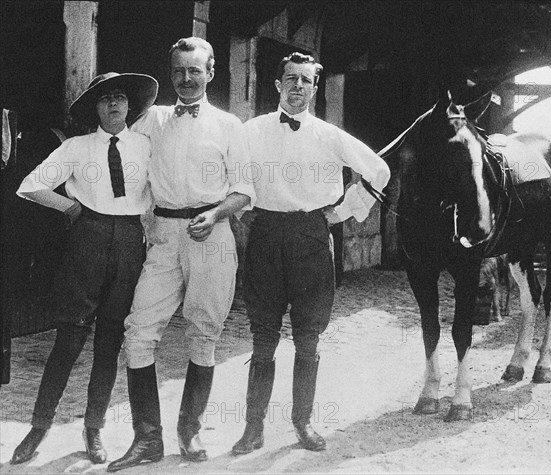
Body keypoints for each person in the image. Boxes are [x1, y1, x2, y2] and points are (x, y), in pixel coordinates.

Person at [107, 37, 255, 472]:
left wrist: (214, 215)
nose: (186, 79)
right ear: (170, 74)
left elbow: (245, 190)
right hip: (165, 236)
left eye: (195, 71)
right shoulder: (151, 119)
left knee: (203, 331)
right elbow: (124, 158)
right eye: (178, 71)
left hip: (213, 234)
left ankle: (188, 430)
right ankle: (146, 439)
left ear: (211, 73)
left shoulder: (230, 125)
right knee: (138, 330)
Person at [232, 52, 390, 454]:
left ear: (315, 88)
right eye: (290, 78)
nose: (297, 86)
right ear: (277, 85)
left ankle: (302, 422)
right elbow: (233, 179)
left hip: (312, 239)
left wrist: (343, 212)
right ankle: (253, 428)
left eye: (305, 80)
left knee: (308, 338)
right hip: (265, 236)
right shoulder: (251, 131)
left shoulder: (329, 136)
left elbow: (379, 171)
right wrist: (246, 216)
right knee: (263, 337)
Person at [10, 72, 158, 464]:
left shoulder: (146, 147)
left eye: (121, 98)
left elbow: (165, 189)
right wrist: (71, 207)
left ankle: (94, 430)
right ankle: (38, 428)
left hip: (129, 240)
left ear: (130, 106)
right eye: (105, 98)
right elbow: (30, 184)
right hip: (86, 241)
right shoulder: (77, 147)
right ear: (95, 107)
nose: (113, 105)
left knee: (109, 342)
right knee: (69, 338)